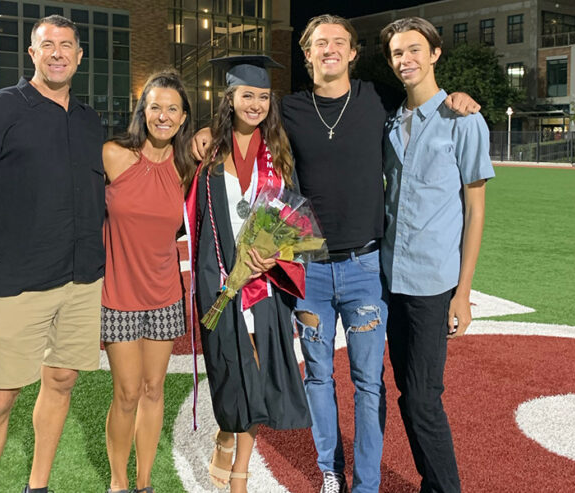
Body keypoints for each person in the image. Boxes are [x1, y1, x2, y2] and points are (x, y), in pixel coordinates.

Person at [193, 14, 480, 493]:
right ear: (307, 56)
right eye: (318, 43)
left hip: (368, 269)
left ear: (352, 53)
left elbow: (423, 97)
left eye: (339, 42)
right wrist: (208, 131)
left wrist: (456, 97)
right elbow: (245, 120)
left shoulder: (377, 99)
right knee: (318, 380)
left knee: (370, 383)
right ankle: (332, 472)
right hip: (311, 274)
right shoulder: (288, 110)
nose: (329, 49)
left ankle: (367, 483)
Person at [0, 15, 104, 493]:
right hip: (18, 278)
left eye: (66, 46)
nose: (57, 53)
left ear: (79, 57)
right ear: (31, 54)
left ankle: (37, 485)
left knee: (61, 382)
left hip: (81, 278)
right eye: (47, 45)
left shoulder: (87, 119)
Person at [186, 55, 311, 493]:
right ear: (230, 98)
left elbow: (293, 217)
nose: (255, 104)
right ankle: (225, 430)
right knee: (228, 368)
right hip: (219, 277)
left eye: (262, 97)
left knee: (257, 370)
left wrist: (276, 253)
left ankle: (241, 471)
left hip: (266, 282)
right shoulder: (207, 151)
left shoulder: (278, 153)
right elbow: (196, 218)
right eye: (247, 95)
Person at [379, 17, 494, 493]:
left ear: (434, 54)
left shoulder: (463, 119)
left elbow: (476, 209)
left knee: (423, 397)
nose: (404, 60)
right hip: (389, 278)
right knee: (408, 394)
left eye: (413, 50)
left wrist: (463, 292)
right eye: (396, 53)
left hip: (432, 283)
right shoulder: (389, 123)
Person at [100, 70, 195, 493]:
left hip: (164, 295)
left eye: (172, 109)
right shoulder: (113, 156)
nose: (163, 115)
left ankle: (143, 483)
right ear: (143, 111)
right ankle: (118, 483)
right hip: (118, 294)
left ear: (183, 117)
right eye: (155, 106)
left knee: (154, 389)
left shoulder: (186, 169)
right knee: (127, 392)